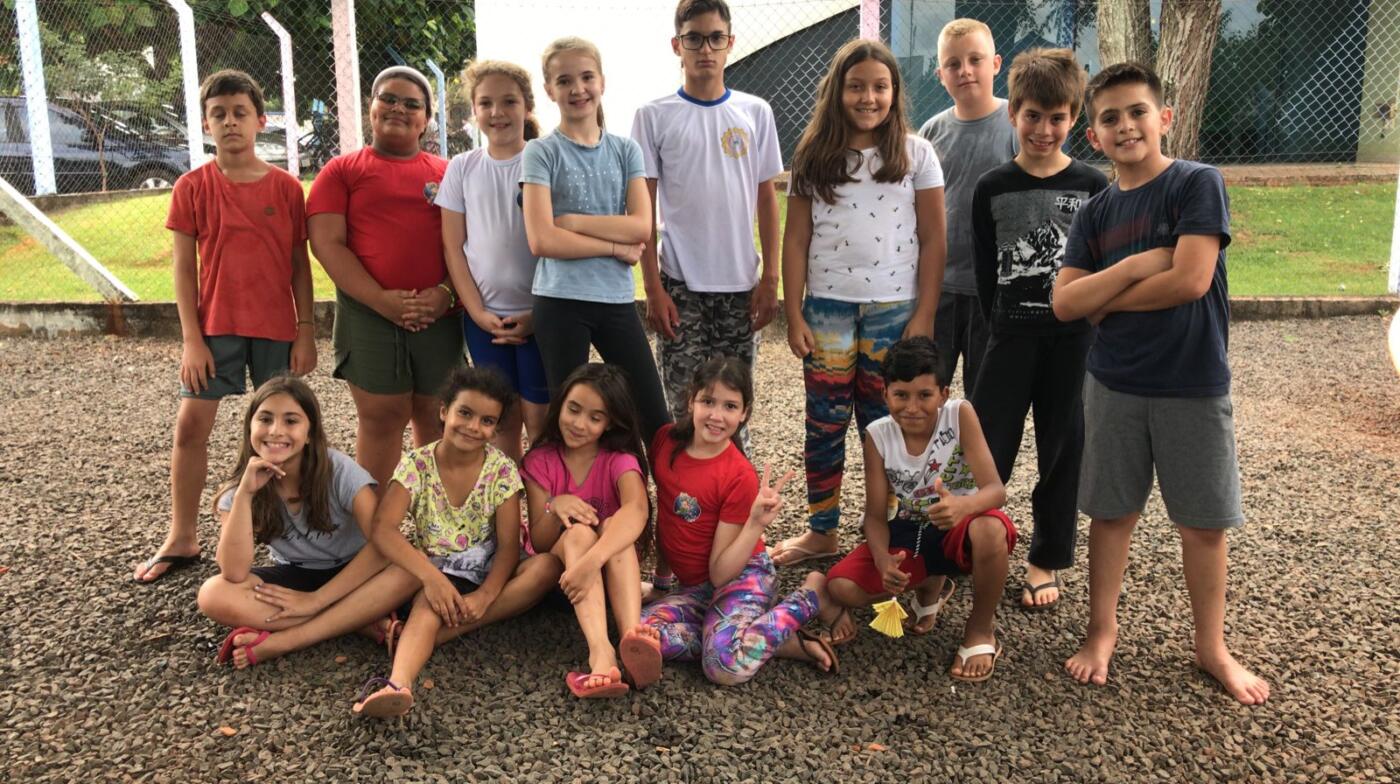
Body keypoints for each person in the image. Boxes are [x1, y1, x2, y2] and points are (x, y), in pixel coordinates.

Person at [1053, 62, 1270, 705]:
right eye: (1110, 118)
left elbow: (1191, 279)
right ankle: (1101, 632)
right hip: (1114, 384)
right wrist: (1137, 266)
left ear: (1164, 118)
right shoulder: (1095, 213)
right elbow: (1064, 303)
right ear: (1093, 135)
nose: (1125, 126)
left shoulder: (1197, 183)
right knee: (1111, 514)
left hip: (1192, 383)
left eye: (1137, 112)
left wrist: (1106, 297)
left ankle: (1211, 646)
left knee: (1203, 524)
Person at [772, 38, 946, 567]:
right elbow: (795, 240)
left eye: (879, 87)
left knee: (885, 421)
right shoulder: (813, 157)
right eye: (856, 86)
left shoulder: (917, 154)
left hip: (895, 310)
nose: (868, 97)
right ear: (837, 91)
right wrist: (794, 313)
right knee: (824, 424)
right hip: (828, 309)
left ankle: (886, 529)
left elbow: (934, 239)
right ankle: (822, 530)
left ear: (894, 92)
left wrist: (924, 314)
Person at [136, 69, 315, 584]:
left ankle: (295, 536)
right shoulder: (191, 187)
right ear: (205, 124)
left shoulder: (285, 188)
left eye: (240, 112)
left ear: (261, 121)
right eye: (219, 114)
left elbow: (299, 266)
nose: (230, 122)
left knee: (286, 433)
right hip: (214, 330)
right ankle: (183, 535)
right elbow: (183, 271)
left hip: (276, 328)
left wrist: (305, 330)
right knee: (191, 428)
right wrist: (191, 340)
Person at [969, 49, 1107, 610]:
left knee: (1063, 447)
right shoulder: (992, 186)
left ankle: (1046, 556)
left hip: (1072, 342)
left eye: (1056, 118)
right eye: (1032, 116)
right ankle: (973, 543)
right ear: (1013, 113)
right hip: (1009, 337)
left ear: (1073, 118)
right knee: (986, 445)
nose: (1043, 130)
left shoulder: (1094, 185)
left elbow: (1102, 266)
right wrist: (1003, 323)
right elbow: (985, 272)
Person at [352, 368, 562, 718]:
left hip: (492, 568)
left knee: (547, 567)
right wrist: (430, 578)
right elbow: (383, 529)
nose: (473, 426)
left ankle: (428, 634)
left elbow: (509, 545)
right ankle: (398, 684)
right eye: (464, 413)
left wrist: (486, 594)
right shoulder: (417, 464)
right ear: (443, 411)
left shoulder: (501, 469)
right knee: (429, 607)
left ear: (496, 428)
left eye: (487, 420)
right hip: (441, 570)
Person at [641, 357, 848, 685]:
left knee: (724, 667)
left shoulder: (738, 475)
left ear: (744, 413)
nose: (716, 415)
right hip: (696, 589)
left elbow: (721, 573)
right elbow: (668, 516)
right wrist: (661, 585)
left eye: (730, 406)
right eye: (708, 401)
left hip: (742, 579)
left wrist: (755, 524)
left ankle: (812, 596)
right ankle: (753, 639)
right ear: (691, 399)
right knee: (641, 632)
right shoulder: (665, 442)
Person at [631, 0, 783, 438]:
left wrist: (770, 279)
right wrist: (653, 288)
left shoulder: (755, 112)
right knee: (684, 404)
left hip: (740, 286)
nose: (705, 49)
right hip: (681, 285)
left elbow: (767, 200)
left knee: (732, 407)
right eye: (694, 38)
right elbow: (643, 208)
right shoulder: (653, 116)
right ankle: (683, 482)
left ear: (730, 43)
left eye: (716, 38)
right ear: (676, 45)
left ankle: (735, 480)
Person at [825, 337, 1017, 681]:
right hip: (912, 530)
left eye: (924, 395)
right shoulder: (877, 436)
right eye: (901, 395)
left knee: (990, 529)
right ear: (885, 394)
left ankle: (980, 629)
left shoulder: (959, 415)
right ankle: (930, 582)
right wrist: (882, 560)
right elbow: (875, 516)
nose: (912, 407)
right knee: (840, 587)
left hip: (964, 528)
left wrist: (962, 506)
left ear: (943, 394)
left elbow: (996, 491)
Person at [308, 66, 458, 489]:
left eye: (412, 104)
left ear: (426, 119)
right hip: (368, 314)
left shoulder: (450, 173)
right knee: (382, 416)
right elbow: (327, 244)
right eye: (388, 98)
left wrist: (446, 294)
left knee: (437, 415)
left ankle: (436, 518)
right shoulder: (341, 171)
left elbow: (472, 242)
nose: (398, 109)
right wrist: (381, 300)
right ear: (371, 108)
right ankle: (373, 520)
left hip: (439, 316)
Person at [521, 37, 671, 442]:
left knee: (652, 416)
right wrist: (613, 247)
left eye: (587, 77)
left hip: (614, 299)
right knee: (569, 422)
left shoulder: (625, 150)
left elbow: (640, 226)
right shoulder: (541, 152)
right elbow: (542, 240)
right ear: (549, 90)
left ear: (602, 82)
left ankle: (648, 483)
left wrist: (570, 221)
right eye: (564, 81)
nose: (578, 89)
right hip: (560, 300)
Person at [196, 377, 388, 669]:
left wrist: (317, 600)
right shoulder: (239, 490)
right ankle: (355, 618)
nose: (276, 431)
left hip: (356, 571)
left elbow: (384, 546)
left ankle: (291, 636)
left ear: (310, 433)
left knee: (409, 567)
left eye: (291, 421)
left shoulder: (340, 471)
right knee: (213, 594)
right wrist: (246, 494)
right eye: (265, 419)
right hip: (296, 574)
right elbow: (233, 573)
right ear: (250, 427)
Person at [521, 363, 657, 697]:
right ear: (560, 405)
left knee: (614, 527)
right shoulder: (540, 460)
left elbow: (637, 510)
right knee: (580, 532)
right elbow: (540, 542)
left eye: (595, 418)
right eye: (573, 409)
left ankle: (632, 638)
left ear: (609, 422)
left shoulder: (619, 459)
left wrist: (592, 561)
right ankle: (601, 651)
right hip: (562, 579)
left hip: (605, 574)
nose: (579, 424)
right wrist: (555, 506)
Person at [438, 60, 549, 462]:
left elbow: (558, 241)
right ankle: (509, 497)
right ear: (474, 110)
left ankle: (544, 498)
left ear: (527, 107)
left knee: (540, 418)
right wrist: (478, 312)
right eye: (486, 103)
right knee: (501, 421)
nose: (497, 112)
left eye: (509, 102)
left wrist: (539, 314)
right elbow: (453, 247)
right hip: (484, 319)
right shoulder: (462, 168)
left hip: (542, 316)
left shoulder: (546, 159)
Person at [918, 18, 1018, 399]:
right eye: (953, 64)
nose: (965, 71)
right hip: (939, 286)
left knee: (986, 396)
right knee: (928, 389)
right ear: (940, 74)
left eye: (975, 60)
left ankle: (980, 443)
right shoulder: (930, 134)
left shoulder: (1018, 126)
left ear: (996, 64)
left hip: (991, 288)